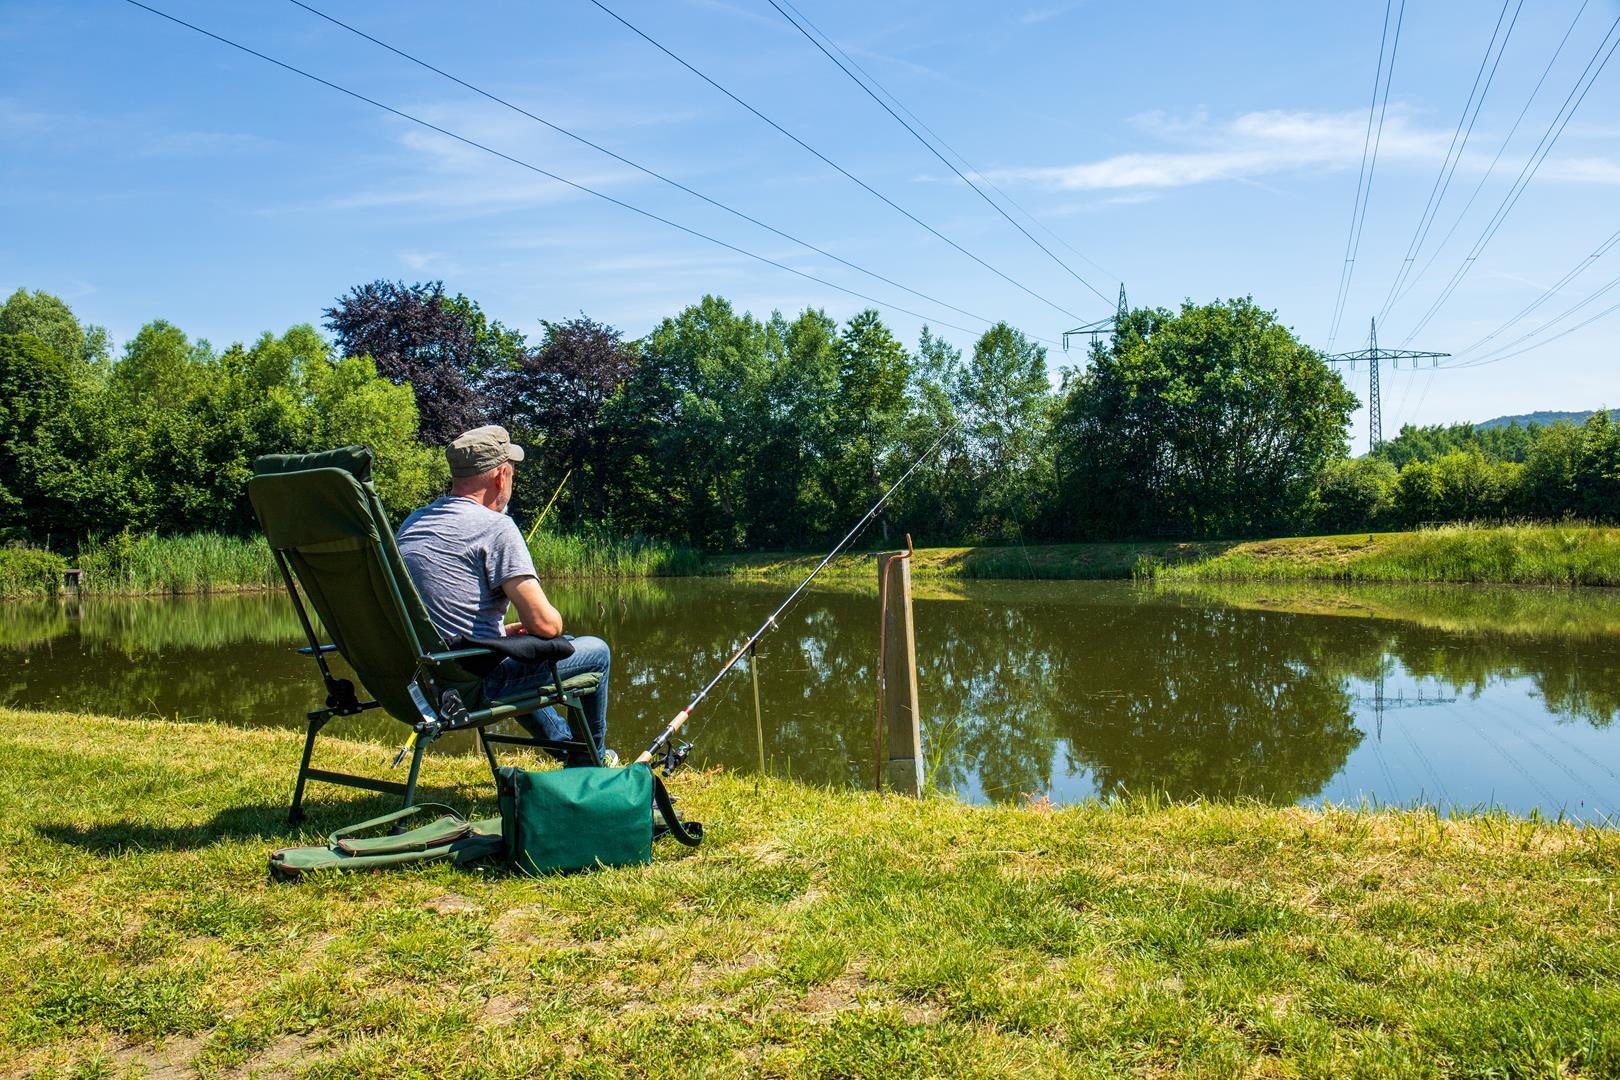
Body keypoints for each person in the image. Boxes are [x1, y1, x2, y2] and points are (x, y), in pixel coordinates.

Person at [396, 424, 613, 764]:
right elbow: (546, 624)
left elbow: (438, 613)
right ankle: (590, 764)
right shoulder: (496, 526)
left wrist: (498, 635)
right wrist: (545, 623)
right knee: (596, 652)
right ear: (501, 475)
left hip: (417, 684)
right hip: (467, 688)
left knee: (526, 651)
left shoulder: (413, 522)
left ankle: (563, 748)